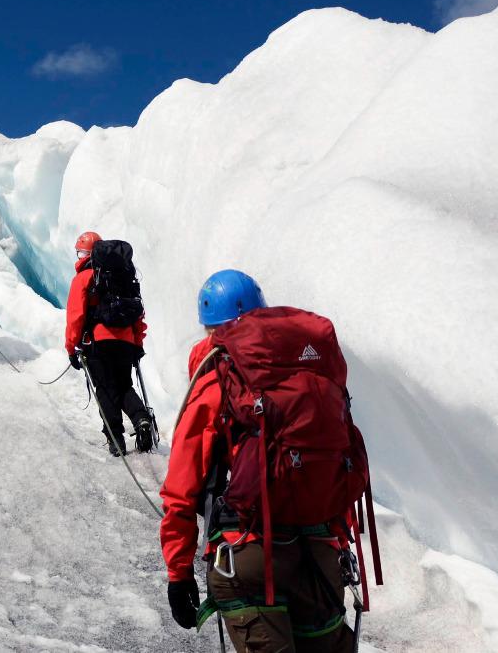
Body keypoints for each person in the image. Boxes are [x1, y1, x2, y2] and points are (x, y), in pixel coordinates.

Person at [158, 269, 373, 653]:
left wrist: (178, 573)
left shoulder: (216, 379)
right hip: (320, 554)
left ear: (211, 328)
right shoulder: (310, 373)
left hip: (245, 552)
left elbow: (181, 488)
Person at [64, 231, 154, 457]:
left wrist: (71, 347)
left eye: (82, 252)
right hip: (126, 343)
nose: (80, 256)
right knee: (124, 386)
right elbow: (137, 314)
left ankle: (116, 439)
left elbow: (76, 316)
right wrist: (137, 344)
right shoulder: (123, 276)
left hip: (97, 343)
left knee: (105, 390)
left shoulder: (85, 278)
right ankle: (141, 417)